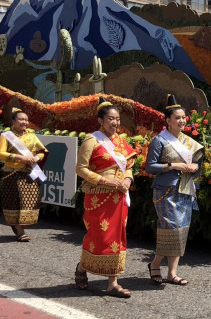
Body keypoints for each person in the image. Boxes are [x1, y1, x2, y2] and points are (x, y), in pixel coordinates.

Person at [74, 97, 136, 298]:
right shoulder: (92, 140)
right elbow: (80, 169)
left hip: (119, 197)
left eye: (117, 119)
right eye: (110, 118)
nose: (115, 123)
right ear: (101, 120)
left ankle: (112, 283)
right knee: (98, 236)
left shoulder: (121, 141)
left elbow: (129, 166)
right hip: (98, 197)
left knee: (116, 237)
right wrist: (105, 181)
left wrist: (127, 180)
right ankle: (83, 267)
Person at [145, 94, 204, 286]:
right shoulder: (159, 141)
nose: (181, 121)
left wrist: (195, 167)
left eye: (183, 117)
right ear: (168, 120)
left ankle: (172, 273)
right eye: (177, 118)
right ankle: (155, 264)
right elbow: (149, 167)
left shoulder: (187, 141)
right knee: (170, 228)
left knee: (181, 229)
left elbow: (196, 164)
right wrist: (172, 165)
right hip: (165, 192)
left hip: (185, 189)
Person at [0, 107, 48, 242]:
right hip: (12, 173)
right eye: (21, 119)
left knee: (30, 201)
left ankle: (19, 225)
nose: (24, 122)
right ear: (13, 121)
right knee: (15, 202)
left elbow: (42, 151)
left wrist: (37, 158)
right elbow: (0, 154)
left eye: (26, 120)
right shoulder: (6, 136)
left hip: (29, 173)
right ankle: (19, 230)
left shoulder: (32, 136)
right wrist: (20, 158)